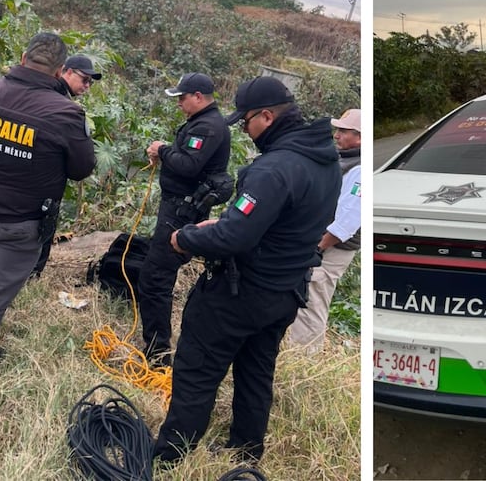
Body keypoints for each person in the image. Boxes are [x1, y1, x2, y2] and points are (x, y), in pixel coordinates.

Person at [153, 76, 340, 464]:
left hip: (239, 294)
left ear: (267, 117)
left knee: (196, 371)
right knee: (256, 374)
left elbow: (234, 238)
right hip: (285, 291)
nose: (244, 129)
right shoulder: (326, 161)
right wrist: (223, 227)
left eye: (247, 121)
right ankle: (246, 452)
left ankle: (168, 457)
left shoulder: (274, 169)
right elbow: (266, 225)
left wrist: (185, 239)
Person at [0, 32, 96, 362]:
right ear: (59, 71)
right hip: (21, 219)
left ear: (23, 58)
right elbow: (82, 169)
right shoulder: (66, 113)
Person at [138, 72, 232, 366]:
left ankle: (157, 353)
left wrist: (162, 150)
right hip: (179, 208)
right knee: (156, 276)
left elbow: (190, 165)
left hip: (181, 211)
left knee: (155, 279)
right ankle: (156, 346)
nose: (179, 103)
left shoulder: (208, 127)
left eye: (182, 97)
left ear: (198, 97)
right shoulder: (204, 123)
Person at [288, 108, 361, 352]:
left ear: (358, 136)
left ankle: (305, 356)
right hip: (321, 242)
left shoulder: (360, 169)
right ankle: (295, 349)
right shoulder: (345, 159)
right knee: (302, 294)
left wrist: (318, 248)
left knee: (313, 296)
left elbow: (347, 222)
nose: (337, 135)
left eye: (343, 131)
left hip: (333, 247)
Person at [30, 54, 102, 278]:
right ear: (66, 72)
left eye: (91, 82)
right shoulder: (65, 108)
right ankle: (31, 276)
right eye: (84, 80)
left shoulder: (37, 93)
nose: (87, 86)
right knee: (39, 236)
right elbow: (82, 166)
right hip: (44, 183)